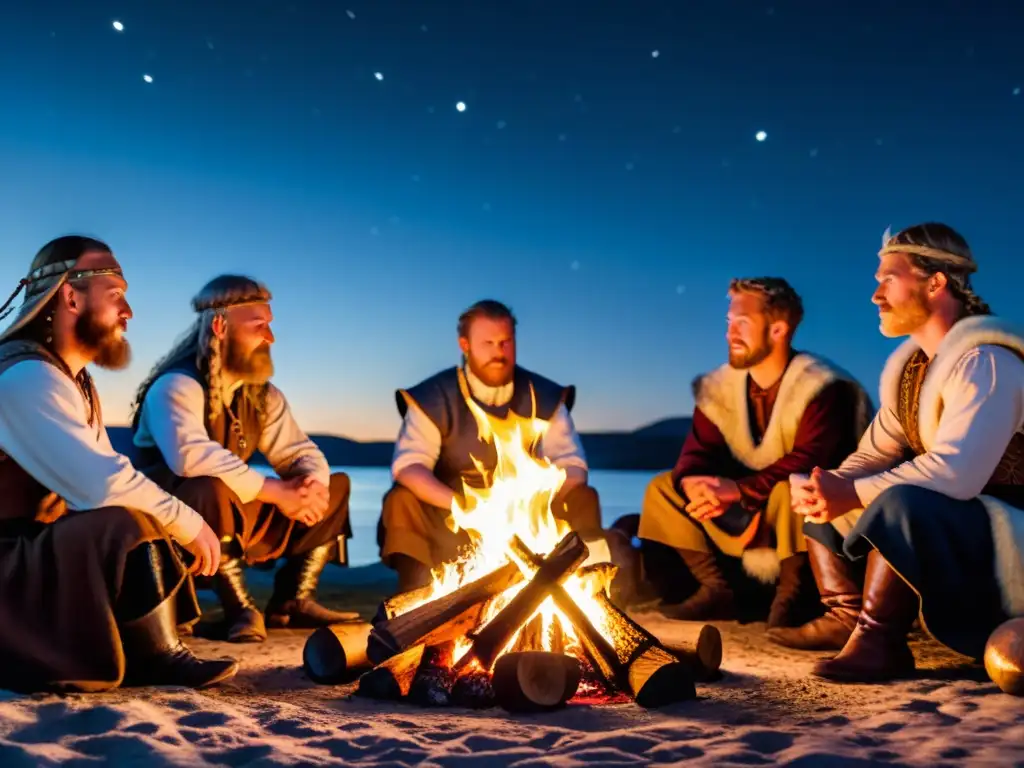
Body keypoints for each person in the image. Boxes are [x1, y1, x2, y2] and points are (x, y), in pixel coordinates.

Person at [779, 222, 1024, 682]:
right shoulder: (912, 373)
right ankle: (848, 620)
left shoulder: (988, 362)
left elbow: (957, 472)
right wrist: (826, 489)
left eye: (888, 278)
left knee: (900, 500)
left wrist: (853, 492)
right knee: (828, 498)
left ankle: (880, 640)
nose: (876, 295)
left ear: (936, 283)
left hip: (1011, 532)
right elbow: (873, 454)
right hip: (966, 523)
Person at [0, 235, 239, 692]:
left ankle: (141, 643)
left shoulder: (72, 381)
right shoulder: (24, 375)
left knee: (135, 511)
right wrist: (188, 522)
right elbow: (101, 484)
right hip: (9, 566)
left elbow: (104, 467)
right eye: (116, 297)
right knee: (123, 520)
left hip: (29, 554)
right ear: (70, 296)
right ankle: (157, 659)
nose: (128, 313)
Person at [130, 275, 356, 643]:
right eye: (259, 326)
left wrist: (308, 486)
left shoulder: (262, 396)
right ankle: (241, 609)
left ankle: (293, 602)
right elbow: (190, 458)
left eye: (269, 326)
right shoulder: (176, 385)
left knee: (336, 484)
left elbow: (299, 450)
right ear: (220, 326)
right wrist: (275, 491)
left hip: (232, 509)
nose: (270, 338)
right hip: (171, 521)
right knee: (208, 488)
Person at [636, 277, 873, 627]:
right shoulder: (719, 389)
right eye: (729, 323)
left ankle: (792, 599)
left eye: (742, 324)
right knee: (662, 488)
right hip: (739, 514)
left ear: (777, 330)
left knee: (796, 485)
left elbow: (812, 458)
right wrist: (694, 484)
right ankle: (717, 589)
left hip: (803, 520)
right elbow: (696, 452)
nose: (731, 334)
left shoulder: (823, 385)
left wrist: (738, 490)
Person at [377, 299, 604, 592]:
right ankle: (416, 594)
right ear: (465, 344)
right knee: (401, 501)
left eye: (506, 342)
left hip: (530, 515)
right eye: (488, 343)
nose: (499, 352)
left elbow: (573, 466)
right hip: (452, 519)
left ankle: (586, 591)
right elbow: (410, 467)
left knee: (584, 497)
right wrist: (466, 507)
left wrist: (530, 501)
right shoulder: (435, 397)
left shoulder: (543, 395)